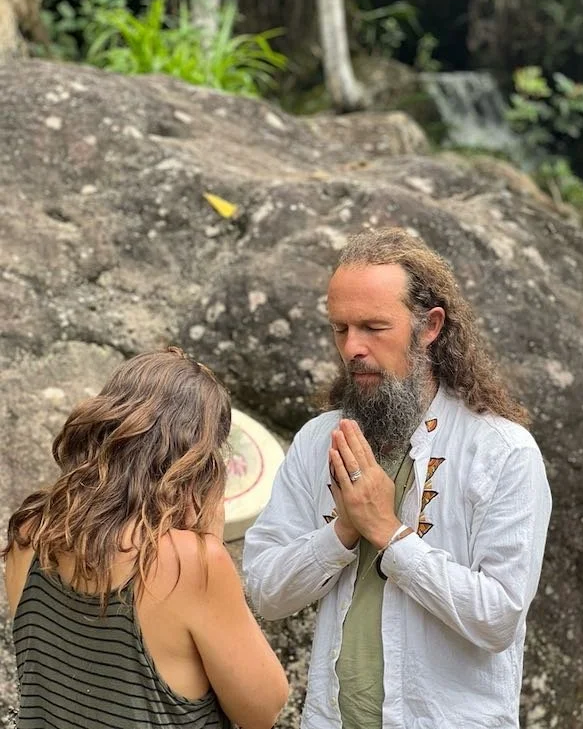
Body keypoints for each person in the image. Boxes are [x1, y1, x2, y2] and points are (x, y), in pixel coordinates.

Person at [243, 226, 552, 729]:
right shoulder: (319, 439)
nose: (352, 348)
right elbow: (266, 591)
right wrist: (343, 530)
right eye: (340, 329)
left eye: (373, 327)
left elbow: (497, 616)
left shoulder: (503, 453)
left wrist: (388, 533)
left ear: (429, 327)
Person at [3, 346, 289, 729]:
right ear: (197, 463)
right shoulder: (191, 565)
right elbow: (263, 710)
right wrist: (209, 544)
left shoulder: (32, 528)